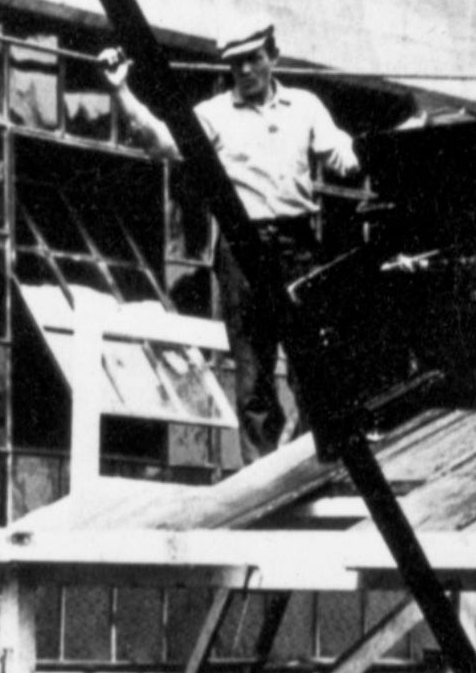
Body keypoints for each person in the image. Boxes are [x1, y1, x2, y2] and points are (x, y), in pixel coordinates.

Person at [111, 28, 356, 451]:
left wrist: (362, 152)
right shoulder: (213, 114)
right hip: (242, 247)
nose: (244, 69)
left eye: (253, 58)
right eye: (235, 62)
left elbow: (343, 155)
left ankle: (317, 462)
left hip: (298, 246)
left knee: (311, 366)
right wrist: (120, 90)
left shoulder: (305, 106)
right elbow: (161, 142)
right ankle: (262, 474)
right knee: (253, 374)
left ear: (273, 55)